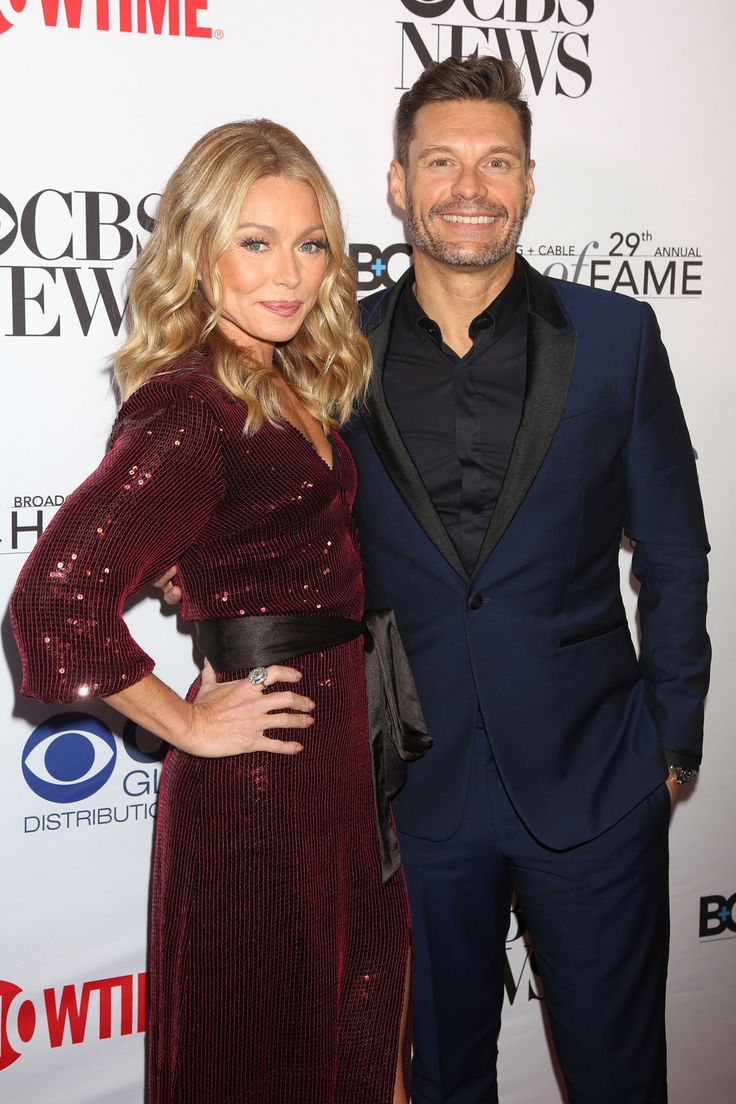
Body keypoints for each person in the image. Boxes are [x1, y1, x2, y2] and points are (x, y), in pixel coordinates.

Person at [11, 119, 429, 1104]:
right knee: (263, 1057)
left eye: (311, 242)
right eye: (255, 241)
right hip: (258, 793)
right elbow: (54, 603)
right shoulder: (189, 408)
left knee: (363, 1039)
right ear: (199, 255)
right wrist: (187, 719)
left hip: (342, 767)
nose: (289, 272)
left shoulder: (290, 382)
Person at [344, 55, 710, 1103]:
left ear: (530, 181)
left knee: (616, 1078)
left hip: (597, 783)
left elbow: (676, 551)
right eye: (442, 161)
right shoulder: (334, 351)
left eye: (496, 161)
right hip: (415, 794)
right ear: (398, 183)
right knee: (442, 1076)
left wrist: (672, 743)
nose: (470, 187)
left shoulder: (614, 337)